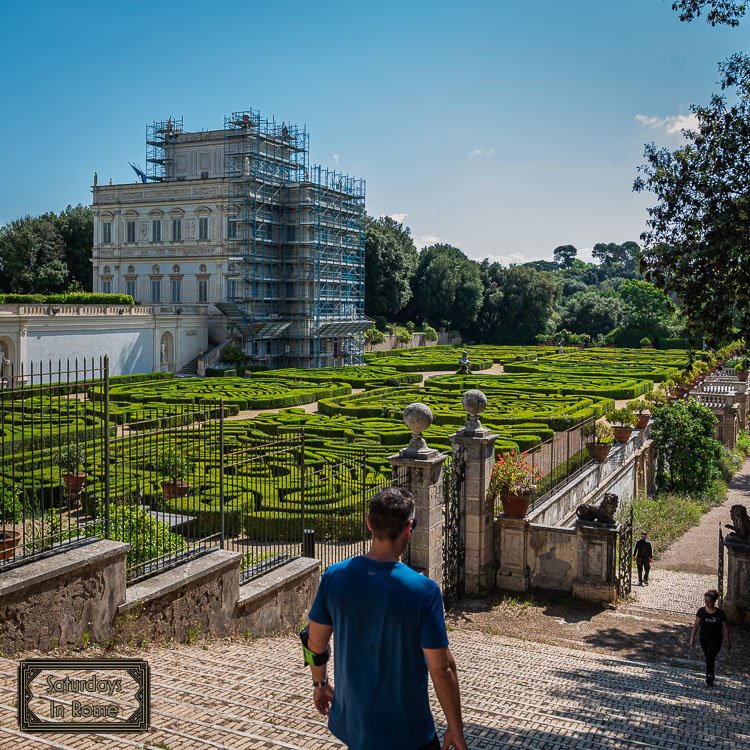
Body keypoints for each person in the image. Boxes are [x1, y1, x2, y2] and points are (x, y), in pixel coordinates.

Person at [303, 487, 467, 750]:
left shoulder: (333, 577)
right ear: (409, 527)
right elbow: (442, 668)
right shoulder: (423, 591)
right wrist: (456, 728)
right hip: (408, 733)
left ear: (368, 523)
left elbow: (314, 643)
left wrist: (319, 683)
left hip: (356, 727)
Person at [690, 589, 731, 686]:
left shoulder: (720, 614)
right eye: (705, 601)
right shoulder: (701, 611)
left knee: (710, 658)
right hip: (704, 639)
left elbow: (725, 628)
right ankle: (711, 674)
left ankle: (709, 676)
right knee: (708, 658)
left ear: (714, 602)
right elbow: (696, 625)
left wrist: (728, 641)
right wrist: (692, 637)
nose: (707, 603)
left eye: (709, 601)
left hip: (716, 640)